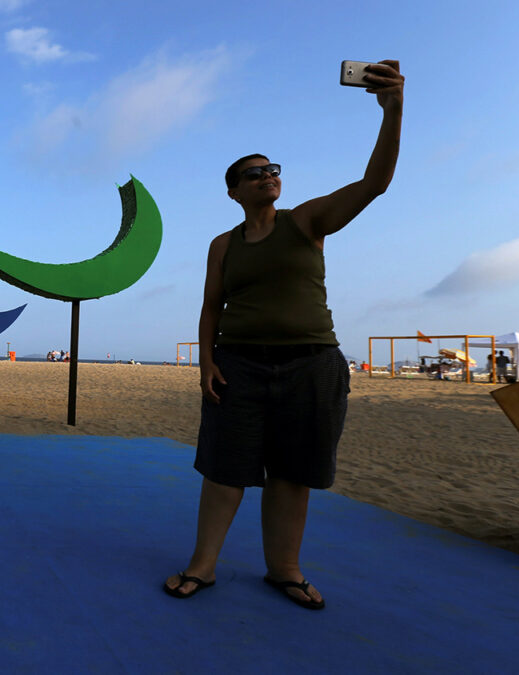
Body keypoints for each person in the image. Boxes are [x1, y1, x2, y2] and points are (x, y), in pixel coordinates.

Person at [164, 61, 403, 610]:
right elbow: (209, 307)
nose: (267, 175)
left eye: (273, 168)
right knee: (226, 470)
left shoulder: (305, 221)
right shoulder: (223, 244)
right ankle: (203, 566)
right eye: (254, 173)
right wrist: (206, 363)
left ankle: (284, 570)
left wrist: (392, 113)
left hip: (311, 364)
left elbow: (375, 184)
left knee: (293, 473)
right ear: (233, 192)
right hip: (240, 365)